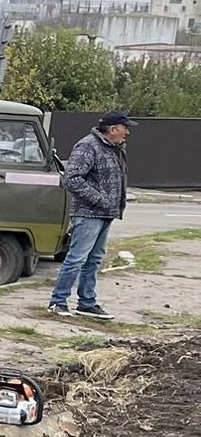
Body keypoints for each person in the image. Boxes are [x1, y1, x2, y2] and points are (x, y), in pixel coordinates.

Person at [50, 111, 132, 321]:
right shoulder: (88, 146)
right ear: (112, 129)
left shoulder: (115, 148)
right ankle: (58, 302)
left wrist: (111, 204)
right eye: (124, 128)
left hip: (106, 213)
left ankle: (86, 303)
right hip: (88, 213)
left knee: (94, 259)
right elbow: (71, 178)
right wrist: (100, 199)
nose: (127, 133)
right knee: (77, 258)